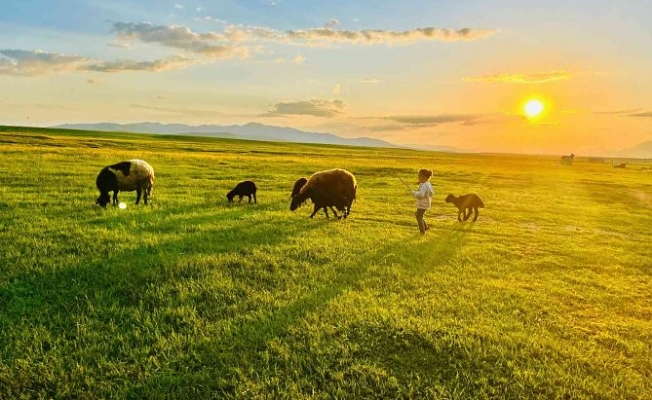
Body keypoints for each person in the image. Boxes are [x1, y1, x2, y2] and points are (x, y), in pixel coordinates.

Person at [412, 168, 434, 234]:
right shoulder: (428, 184)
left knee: (419, 217)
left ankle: (422, 231)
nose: (418, 178)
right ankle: (426, 227)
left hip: (422, 204)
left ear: (424, 177)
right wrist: (420, 184)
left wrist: (414, 193)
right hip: (426, 203)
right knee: (418, 215)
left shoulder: (423, 186)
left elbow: (421, 195)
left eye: (419, 176)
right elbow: (431, 192)